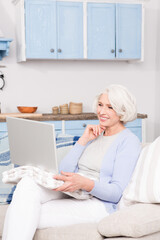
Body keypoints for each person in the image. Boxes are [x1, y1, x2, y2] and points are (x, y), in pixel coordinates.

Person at [2, 84, 141, 240]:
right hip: (74, 191)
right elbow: (64, 170)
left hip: (98, 202)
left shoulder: (129, 141)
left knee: (22, 212)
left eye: (110, 107)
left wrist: (85, 183)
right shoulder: (95, 134)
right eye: (100, 105)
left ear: (122, 111)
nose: (101, 111)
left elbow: (116, 192)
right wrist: (83, 140)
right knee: (27, 183)